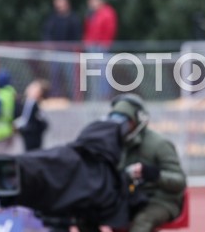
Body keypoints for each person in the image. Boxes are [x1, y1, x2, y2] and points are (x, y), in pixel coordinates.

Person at [71, 93, 187, 232]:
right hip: (128, 197)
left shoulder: (160, 144)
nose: (121, 126)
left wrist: (152, 174)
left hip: (159, 199)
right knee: (85, 214)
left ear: (138, 121)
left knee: (141, 222)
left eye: (126, 121)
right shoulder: (111, 143)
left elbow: (179, 182)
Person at [43, 0, 82, 98]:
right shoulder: (53, 19)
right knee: (55, 76)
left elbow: (77, 36)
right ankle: (57, 96)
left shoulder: (73, 19)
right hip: (56, 52)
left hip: (68, 52)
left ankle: (75, 97)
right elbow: (47, 33)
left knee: (71, 77)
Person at [83, 0, 118, 100]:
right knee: (92, 72)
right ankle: (95, 94)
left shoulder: (107, 12)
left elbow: (110, 28)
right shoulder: (92, 14)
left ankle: (104, 95)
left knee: (103, 72)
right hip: (92, 46)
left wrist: (105, 43)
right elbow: (88, 29)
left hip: (101, 46)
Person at [14, 79, 50, 151]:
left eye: (33, 87)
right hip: (27, 135)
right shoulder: (25, 102)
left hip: (33, 136)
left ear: (38, 93)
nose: (29, 88)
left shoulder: (34, 105)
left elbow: (27, 119)